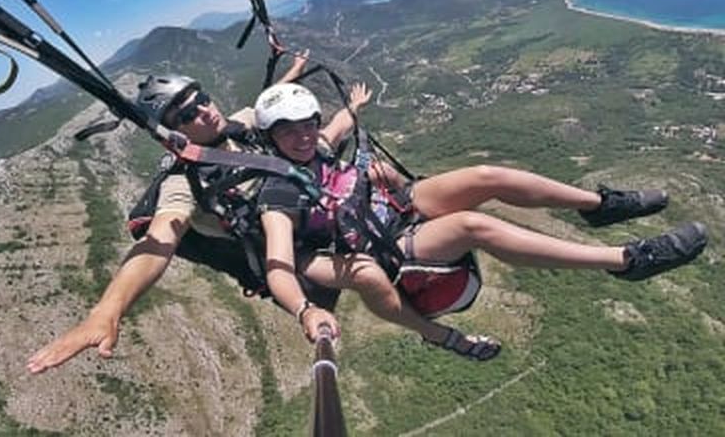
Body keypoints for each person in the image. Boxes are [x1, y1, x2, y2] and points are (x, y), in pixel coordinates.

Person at [253, 82, 709, 361]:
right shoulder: (278, 193)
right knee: (473, 226)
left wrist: (354, 108)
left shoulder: (318, 144)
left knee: (487, 176)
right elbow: (279, 265)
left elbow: (340, 123)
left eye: (306, 123)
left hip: (393, 205)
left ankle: (601, 205)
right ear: (271, 139)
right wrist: (306, 310)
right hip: (376, 246)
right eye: (287, 131)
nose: (302, 135)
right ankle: (627, 260)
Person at [26, 53, 331, 374]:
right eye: (187, 114)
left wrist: (295, 69)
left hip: (308, 221)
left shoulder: (234, 127)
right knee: (366, 271)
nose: (204, 111)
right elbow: (155, 244)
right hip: (293, 260)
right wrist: (106, 313)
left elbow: (266, 105)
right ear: (172, 133)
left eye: (202, 99)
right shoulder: (183, 183)